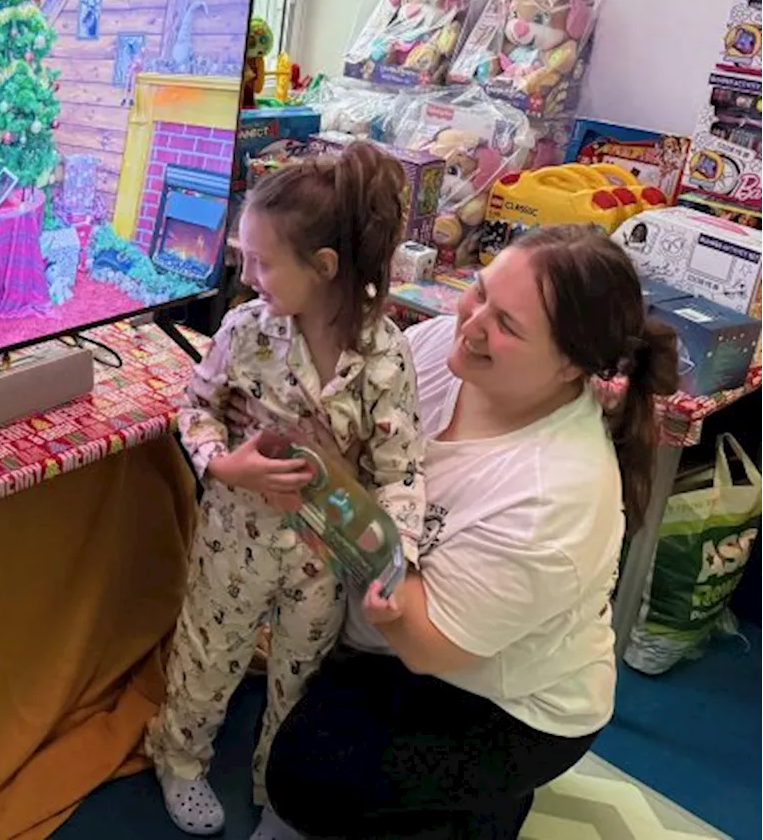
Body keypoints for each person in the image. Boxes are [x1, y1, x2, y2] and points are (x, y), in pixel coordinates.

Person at [261, 225, 680, 840]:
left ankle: (480, 809)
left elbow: (426, 644)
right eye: (479, 291)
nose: (473, 323)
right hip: (417, 619)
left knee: (307, 777)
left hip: (501, 698)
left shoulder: (552, 499)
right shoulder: (438, 348)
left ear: (571, 363)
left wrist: (327, 491)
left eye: (507, 325)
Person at [146, 145, 428, 839]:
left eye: (261, 262)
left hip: (322, 560)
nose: (245, 275)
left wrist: (396, 560)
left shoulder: (386, 357)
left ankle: (281, 785)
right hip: (233, 538)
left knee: (300, 678)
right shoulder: (245, 330)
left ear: (323, 267)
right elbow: (195, 409)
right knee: (208, 654)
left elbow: (402, 471)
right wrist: (224, 465)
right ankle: (179, 756)